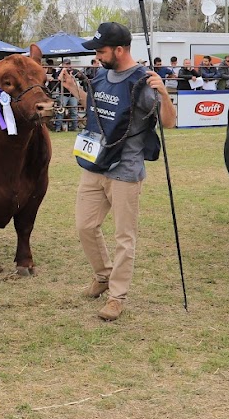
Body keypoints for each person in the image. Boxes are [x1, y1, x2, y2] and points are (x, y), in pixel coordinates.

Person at [60, 22, 176, 322]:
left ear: (120, 50)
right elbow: (100, 110)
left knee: (124, 237)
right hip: (95, 162)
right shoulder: (102, 76)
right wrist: (76, 91)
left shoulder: (142, 81)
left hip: (126, 170)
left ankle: (116, 297)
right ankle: (103, 276)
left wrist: (163, 93)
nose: (96, 57)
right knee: (85, 226)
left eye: (101, 51)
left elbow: (169, 123)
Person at [53, 59, 79, 132]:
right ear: (63, 64)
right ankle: (58, 128)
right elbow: (58, 79)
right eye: (66, 64)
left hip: (73, 94)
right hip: (63, 94)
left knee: (74, 111)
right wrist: (63, 71)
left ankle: (75, 127)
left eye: (68, 64)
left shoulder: (74, 71)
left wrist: (72, 74)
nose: (67, 65)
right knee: (61, 111)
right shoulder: (58, 72)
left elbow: (80, 77)